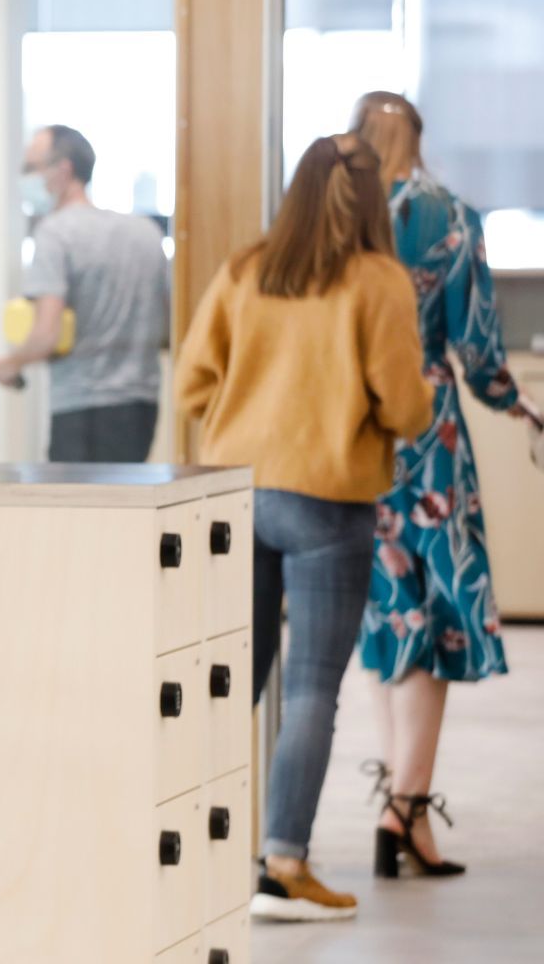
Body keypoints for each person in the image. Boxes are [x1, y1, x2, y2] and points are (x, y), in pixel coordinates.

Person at [175, 133, 432, 922]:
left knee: (231, 681)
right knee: (313, 691)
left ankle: (186, 850)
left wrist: (245, 418)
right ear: (370, 199)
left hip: (235, 493)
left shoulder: (247, 270)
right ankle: (283, 865)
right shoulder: (377, 281)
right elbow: (405, 407)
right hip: (325, 503)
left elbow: (192, 383)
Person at [348, 91, 543, 879]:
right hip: (428, 439)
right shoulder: (451, 214)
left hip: (354, 433)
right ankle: (407, 807)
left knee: (390, 618)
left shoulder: (337, 211)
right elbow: (478, 346)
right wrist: (516, 403)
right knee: (437, 615)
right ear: (417, 140)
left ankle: (400, 799)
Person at [0, 125, 171, 462]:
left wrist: (8, 363)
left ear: (64, 170)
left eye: (32, 167)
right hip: (143, 404)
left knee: (78, 512)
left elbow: (47, 333)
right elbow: (167, 327)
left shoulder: (56, 233)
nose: (25, 178)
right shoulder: (145, 233)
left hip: (81, 408)